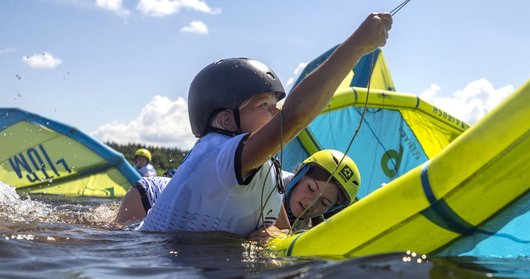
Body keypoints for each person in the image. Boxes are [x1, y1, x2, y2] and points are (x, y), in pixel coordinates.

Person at [138, 12, 391, 239]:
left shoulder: (264, 169)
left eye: (275, 105)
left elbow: (281, 231)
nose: (275, 111)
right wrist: (357, 46)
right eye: (265, 106)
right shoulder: (218, 153)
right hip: (156, 266)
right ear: (227, 120)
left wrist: (272, 234)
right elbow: (293, 117)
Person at [115, 149, 361, 228]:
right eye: (311, 188)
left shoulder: (309, 222)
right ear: (299, 176)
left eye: (324, 204)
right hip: (152, 194)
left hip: (186, 209)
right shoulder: (270, 180)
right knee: (117, 237)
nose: (312, 202)